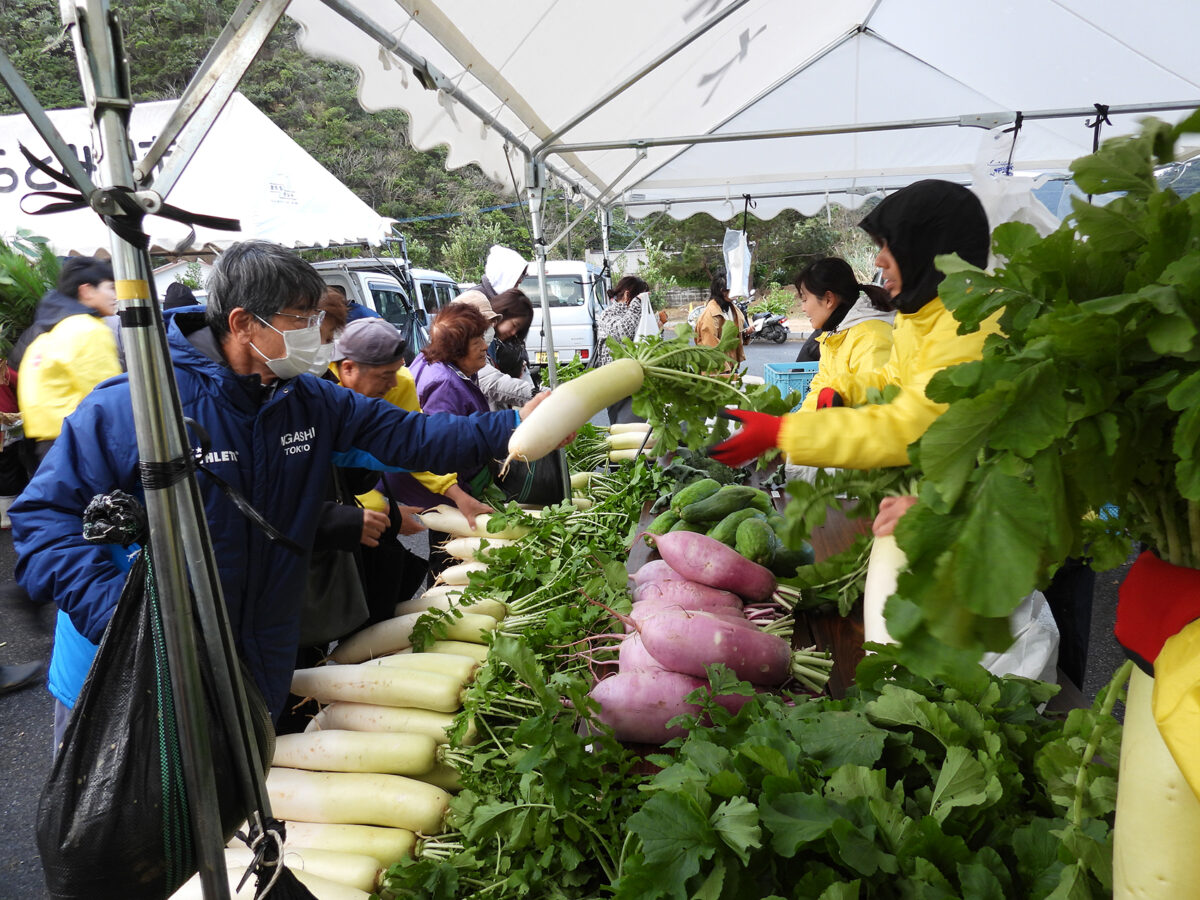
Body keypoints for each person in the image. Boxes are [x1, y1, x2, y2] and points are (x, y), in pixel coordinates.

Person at [10, 240, 554, 739]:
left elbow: (412, 436)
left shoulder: (307, 400)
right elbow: (44, 519)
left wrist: (515, 426)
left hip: (254, 657)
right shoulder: (136, 406)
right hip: (127, 670)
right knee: (129, 810)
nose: (319, 332)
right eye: (303, 318)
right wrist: (122, 618)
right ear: (244, 323)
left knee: (237, 802)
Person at [708, 180, 998, 471]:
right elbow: (892, 380)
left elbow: (915, 425)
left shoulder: (970, 322)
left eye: (891, 246)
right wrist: (844, 389)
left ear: (928, 248)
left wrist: (786, 434)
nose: (879, 260)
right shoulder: (918, 317)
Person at [14, 257, 121, 471]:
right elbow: (107, 395)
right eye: (110, 288)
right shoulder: (88, 329)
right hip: (82, 443)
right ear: (87, 290)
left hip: (48, 444)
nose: (115, 296)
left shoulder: (48, 333)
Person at [794, 257, 894, 412]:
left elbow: (876, 407)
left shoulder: (871, 338)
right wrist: (795, 423)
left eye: (805, 299)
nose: (803, 308)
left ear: (829, 299)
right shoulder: (833, 335)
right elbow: (820, 390)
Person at [595, 275, 661, 424]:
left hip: (640, 383)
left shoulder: (637, 314)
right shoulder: (608, 314)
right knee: (625, 427)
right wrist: (637, 303)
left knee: (642, 429)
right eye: (639, 297)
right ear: (627, 295)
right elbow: (621, 333)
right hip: (618, 385)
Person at [694, 269, 749, 367]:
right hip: (718, 368)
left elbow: (735, 336)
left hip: (730, 363)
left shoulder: (732, 308)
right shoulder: (710, 314)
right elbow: (710, 347)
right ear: (722, 291)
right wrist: (725, 370)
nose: (738, 292)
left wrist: (746, 333)